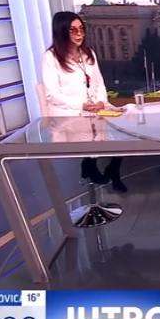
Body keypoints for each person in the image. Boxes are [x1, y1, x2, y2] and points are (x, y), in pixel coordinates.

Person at [41, 11, 127, 193]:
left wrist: (101, 101)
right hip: (70, 112)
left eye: (81, 29)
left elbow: (99, 83)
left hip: (95, 108)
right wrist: (81, 105)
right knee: (91, 131)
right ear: (61, 31)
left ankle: (112, 168)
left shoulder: (89, 54)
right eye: (73, 30)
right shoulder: (51, 57)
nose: (79, 34)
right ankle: (90, 165)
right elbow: (52, 94)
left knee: (124, 128)